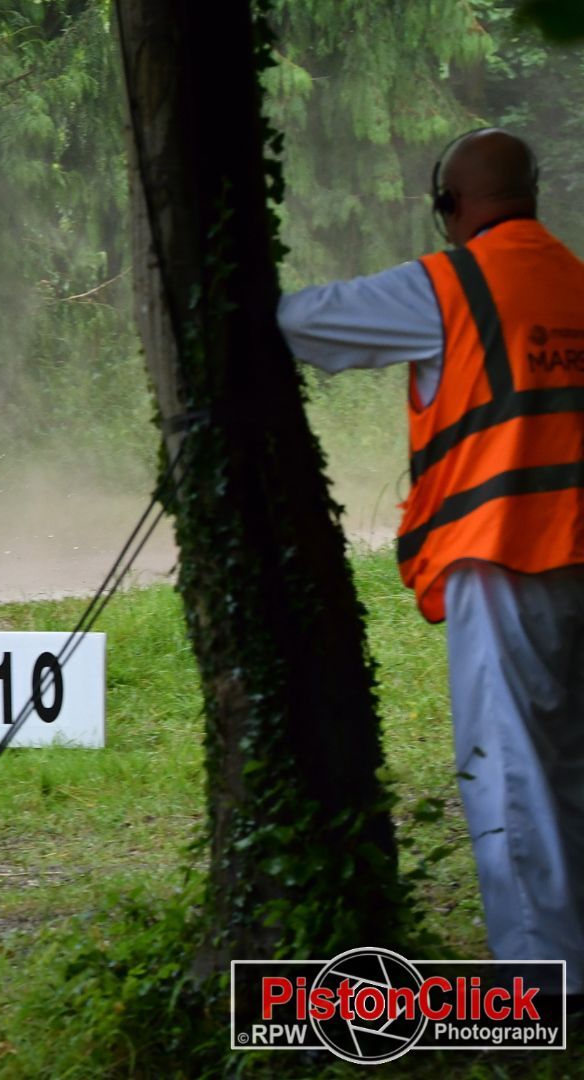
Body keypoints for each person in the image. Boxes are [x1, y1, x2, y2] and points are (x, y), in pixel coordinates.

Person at [276, 128, 584, 995]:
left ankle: (542, 988)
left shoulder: (447, 284)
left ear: (449, 207)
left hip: (502, 553)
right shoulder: (575, 278)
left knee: (511, 767)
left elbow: (299, 320)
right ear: (535, 192)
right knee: (570, 759)